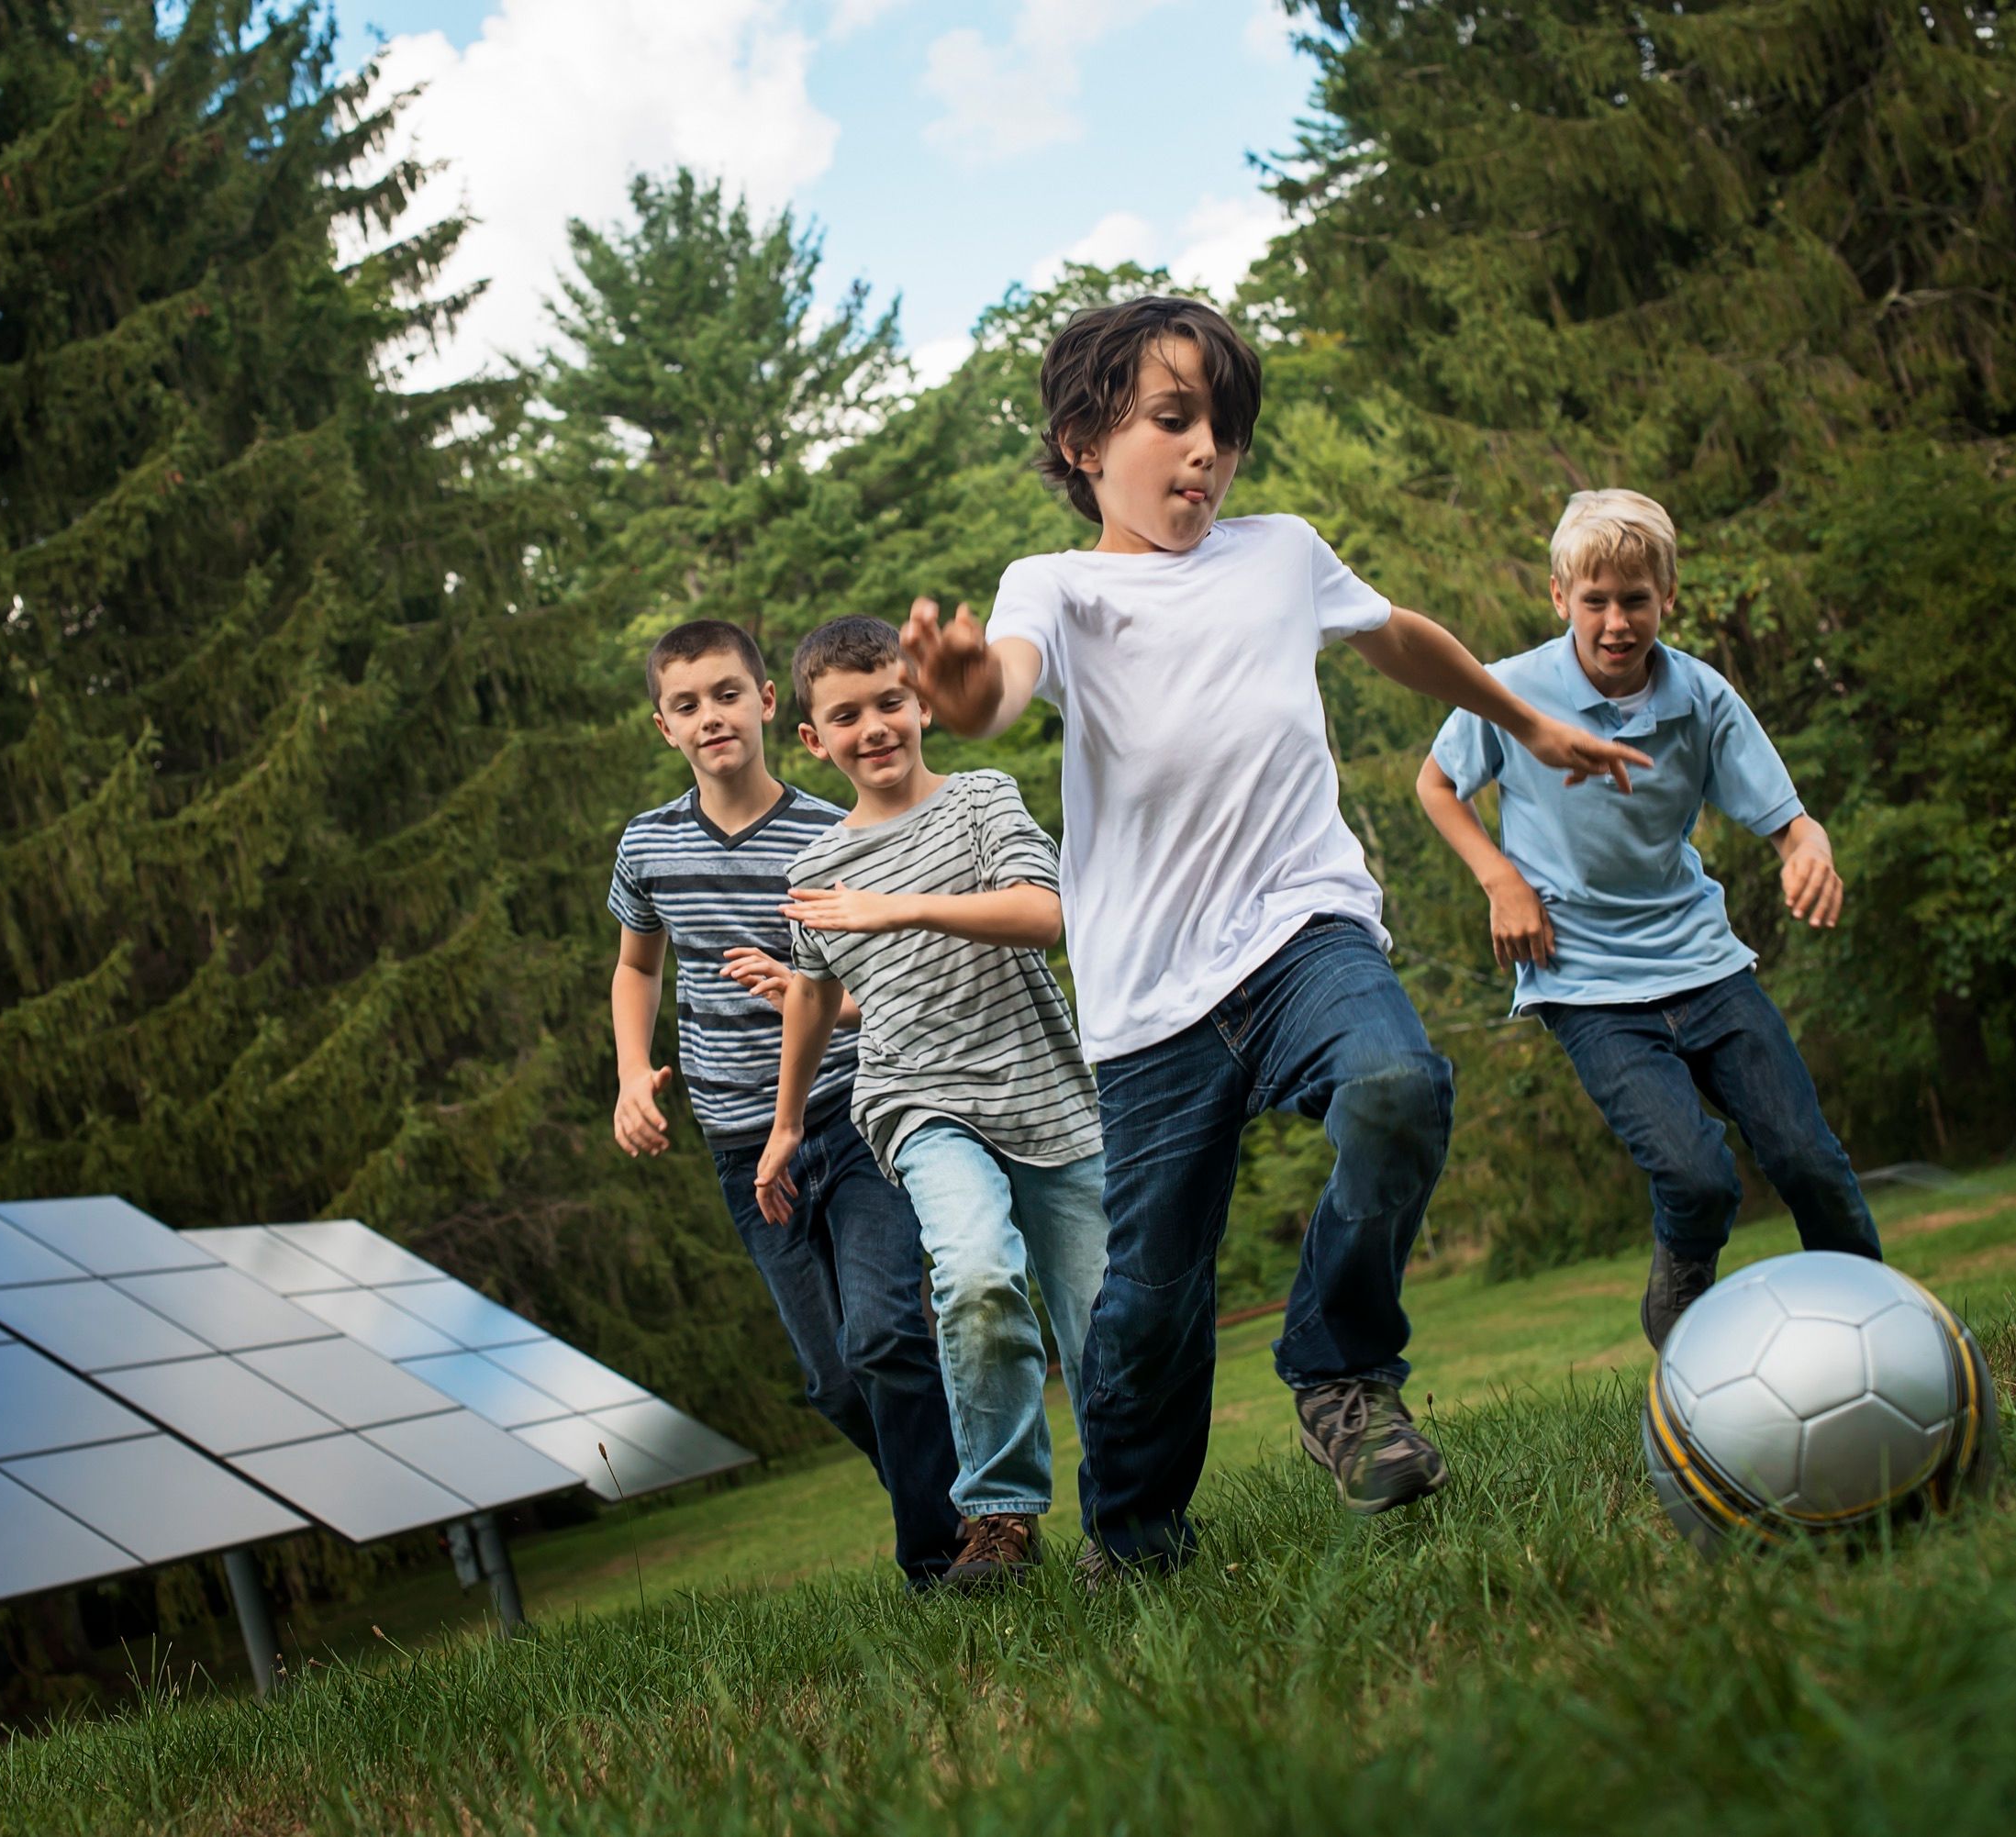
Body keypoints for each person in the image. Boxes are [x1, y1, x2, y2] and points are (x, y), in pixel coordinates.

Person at [901, 295, 1650, 1573]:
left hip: (1304, 928)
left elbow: (1399, 638)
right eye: (1174, 420)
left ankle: (1338, 1365)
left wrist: (1523, 722)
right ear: (1086, 440)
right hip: (1149, 998)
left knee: (1398, 1085)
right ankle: (1135, 1539)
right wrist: (965, 692)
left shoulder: (1281, 551)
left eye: (1227, 431)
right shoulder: (1059, 584)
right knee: (1147, 1300)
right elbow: (1004, 682)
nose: (1207, 453)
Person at [1414, 488, 1881, 1350]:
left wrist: (1807, 851)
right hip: (1586, 983)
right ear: (1561, 598)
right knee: (1698, 1177)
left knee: (1809, 1161)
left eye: (1636, 600)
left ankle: (1873, 1331)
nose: (1617, 622)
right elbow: (1436, 785)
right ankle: (1685, 1314)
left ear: (1668, 595)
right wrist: (1500, 880)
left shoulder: (1700, 697)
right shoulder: (1512, 691)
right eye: (1595, 601)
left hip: (1704, 963)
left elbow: (1790, 822)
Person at [753, 616, 1110, 1591]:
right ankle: (999, 1517)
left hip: (1043, 1090)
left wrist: (899, 905)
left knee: (1100, 1323)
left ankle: (1127, 1518)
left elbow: (1044, 914)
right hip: (918, 1100)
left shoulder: (982, 799)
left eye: (889, 703)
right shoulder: (814, 871)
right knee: (976, 1276)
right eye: (846, 715)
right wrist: (786, 1126)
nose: (873, 726)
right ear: (813, 739)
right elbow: (816, 996)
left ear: (919, 704)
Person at [607, 618, 958, 1587]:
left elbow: (896, 979)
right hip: (738, 1145)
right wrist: (634, 1073)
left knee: (886, 1332)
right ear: (664, 727)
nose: (710, 715)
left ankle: (945, 1559)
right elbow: (637, 968)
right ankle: (968, 1503)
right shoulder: (649, 846)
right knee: (837, 1380)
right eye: (687, 704)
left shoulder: (829, 835)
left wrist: (815, 997)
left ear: (768, 704)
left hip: (854, 1118)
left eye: (727, 693)